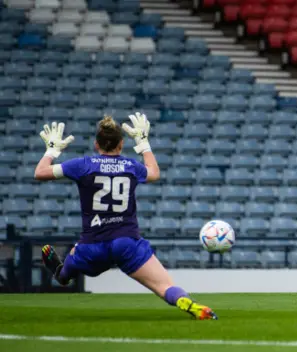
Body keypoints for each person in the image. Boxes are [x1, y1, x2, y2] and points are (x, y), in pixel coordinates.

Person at [35, 113, 217, 320]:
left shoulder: (82, 165)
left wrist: (52, 150)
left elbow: (40, 172)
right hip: (126, 243)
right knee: (164, 286)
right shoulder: (130, 166)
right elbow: (154, 173)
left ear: (96, 144)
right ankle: (186, 302)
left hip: (92, 245)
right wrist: (143, 143)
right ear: (121, 144)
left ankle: (62, 273)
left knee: (70, 266)